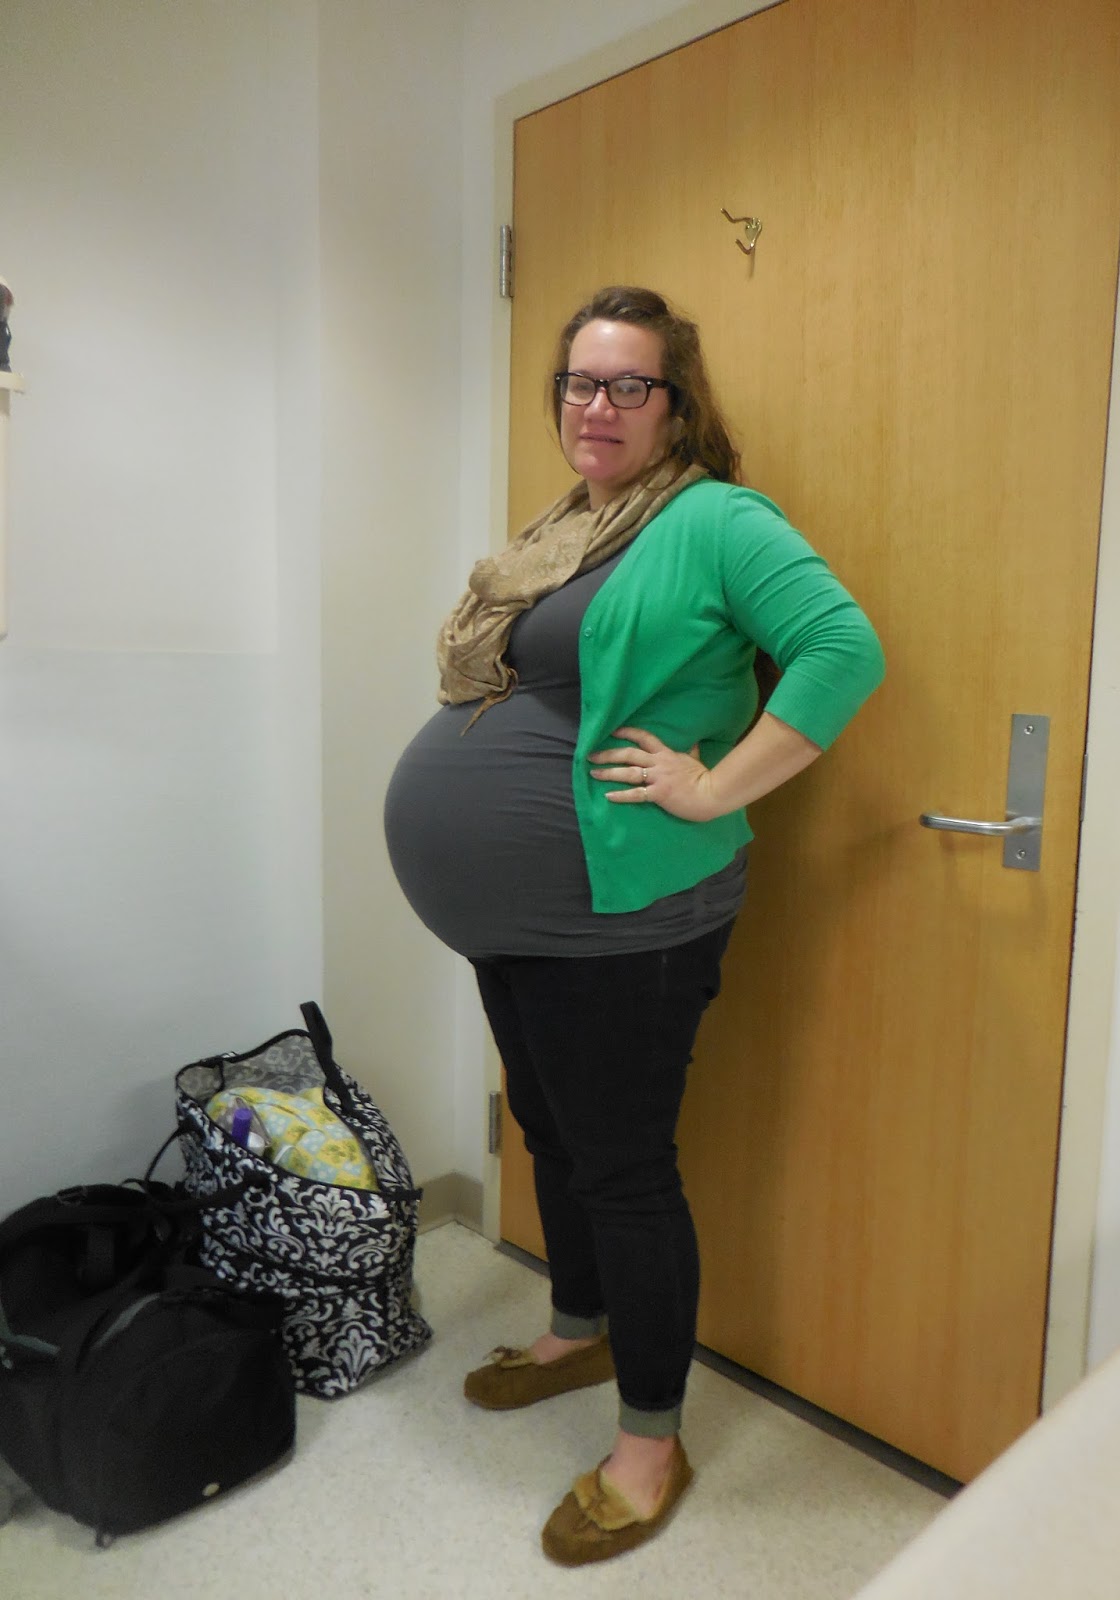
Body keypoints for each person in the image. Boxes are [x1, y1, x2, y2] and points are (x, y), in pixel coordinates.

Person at [384, 285, 884, 1565]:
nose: (596, 405)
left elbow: (842, 649)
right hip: (522, 919)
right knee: (550, 1127)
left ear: (676, 403)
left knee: (624, 1167)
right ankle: (578, 1326)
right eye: (579, 382)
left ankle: (652, 1443)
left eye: (628, 385)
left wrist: (713, 787)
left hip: (629, 916)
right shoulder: (571, 526)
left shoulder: (715, 519)